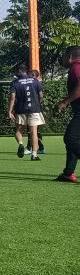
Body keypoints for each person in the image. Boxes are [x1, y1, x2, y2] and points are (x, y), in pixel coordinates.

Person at [54, 45, 80, 182]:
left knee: (70, 139)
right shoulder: (75, 68)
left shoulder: (77, 67)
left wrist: (65, 102)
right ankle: (68, 173)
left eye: (64, 56)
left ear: (69, 57)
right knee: (73, 140)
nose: (62, 59)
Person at [8, 65, 44, 161]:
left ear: (19, 71)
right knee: (34, 132)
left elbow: (12, 98)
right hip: (34, 109)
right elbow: (41, 95)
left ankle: (21, 144)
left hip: (20, 110)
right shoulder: (35, 81)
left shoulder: (15, 83)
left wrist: (10, 111)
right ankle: (34, 155)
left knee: (19, 131)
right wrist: (37, 103)